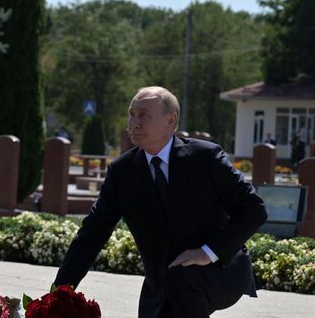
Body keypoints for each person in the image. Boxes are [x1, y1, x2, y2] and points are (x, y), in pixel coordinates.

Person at [54, 86, 267, 318]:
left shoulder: (205, 158)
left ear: (171, 119)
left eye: (144, 114)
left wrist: (208, 252)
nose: (134, 123)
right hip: (161, 284)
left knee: (181, 278)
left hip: (220, 270)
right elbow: (92, 234)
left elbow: (254, 209)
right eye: (132, 114)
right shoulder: (122, 172)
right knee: (173, 283)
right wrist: (59, 293)